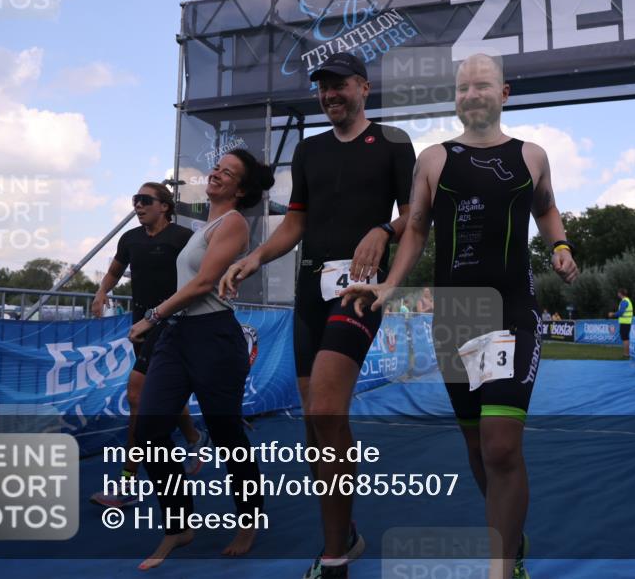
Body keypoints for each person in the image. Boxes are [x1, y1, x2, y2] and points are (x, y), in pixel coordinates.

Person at [340, 53, 578, 579]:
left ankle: (500, 565)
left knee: (499, 443)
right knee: (477, 445)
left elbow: (546, 208)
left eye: (482, 86)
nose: (472, 95)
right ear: (456, 98)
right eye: (463, 88)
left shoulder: (531, 156)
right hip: (455, 317)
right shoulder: (434, 159)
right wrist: (389, 285)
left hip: (510, 311)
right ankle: (509, 539)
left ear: (505, 93)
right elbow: (418, 230)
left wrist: (559, 244)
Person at [219, 52, 415, 579]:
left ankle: (332, 558)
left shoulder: (394, 143)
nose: (329, 95)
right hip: (309, 293)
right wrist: (255, 256)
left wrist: (384, 231)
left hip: (360, 290)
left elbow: (416, 215)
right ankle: (345, 533)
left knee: (327, 407)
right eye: (322, 88)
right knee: (315, 420)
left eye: (338, 86)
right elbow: (295, 223)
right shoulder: (307, 150)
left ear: (363, 88)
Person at [128, 150, 273, 569]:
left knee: (227, 434)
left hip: (212, 335)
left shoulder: (233, 224)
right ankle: (178, 524)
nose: (216, 173)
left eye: (228, 172)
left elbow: (206, 282)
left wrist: (153, 316)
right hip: (177, 337)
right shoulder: (200, 228)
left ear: (240, 189)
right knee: (152, 428)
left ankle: (248, 518)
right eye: (217, 167)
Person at [89, 182, 206, 508]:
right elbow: (114, 271)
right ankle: (196, 439)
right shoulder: (130, 239)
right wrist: (101, 292)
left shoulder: (182, 238)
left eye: (145, 200)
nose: (138, 206)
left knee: (138, 396)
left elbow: (202, 275)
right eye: (135, 200)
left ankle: (127, 482)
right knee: (160, 390)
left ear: (164, 206)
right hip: (140, 325)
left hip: (172, 323)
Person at [608, 288, 634, 358]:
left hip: (625, 322)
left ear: (620, 293)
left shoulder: (624, 301)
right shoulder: (627, 300)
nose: (617, 294)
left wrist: (612, 314)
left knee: (625, 338)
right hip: (626, 321)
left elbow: (621, 312)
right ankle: (626, 353)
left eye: (618, 293)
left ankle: (626, 354)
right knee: (625, 337)